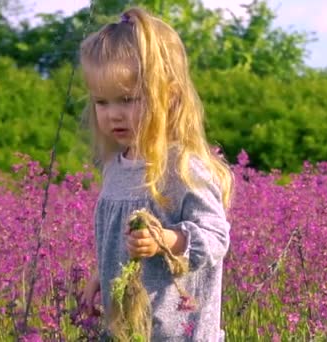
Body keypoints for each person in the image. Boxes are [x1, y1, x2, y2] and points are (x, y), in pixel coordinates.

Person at [79, 7, 234, 341]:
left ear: (170, 96)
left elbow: (216, 237)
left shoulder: (182, 166)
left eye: (127, 99)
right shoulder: (115, 166)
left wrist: (165, 239)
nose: (112, 115)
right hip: (128, 329)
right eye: (101, 102)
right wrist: (102, 276)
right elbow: (120, 247)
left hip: (180, 333)